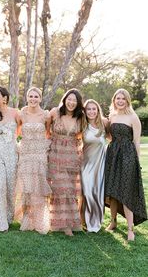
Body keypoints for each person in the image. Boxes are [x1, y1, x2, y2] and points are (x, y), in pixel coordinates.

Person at [104, 88, 147, 241]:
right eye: (118, 99)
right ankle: (113, 222)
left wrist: (136, 162)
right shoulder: (112, 116)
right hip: (113, 155)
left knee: (126, 191)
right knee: (112, 191)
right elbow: (110, 136)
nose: (120, 101)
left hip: (128, 156)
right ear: (114, 100)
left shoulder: (133, 117)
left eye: (123, 99)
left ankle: (130, 229)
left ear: (127, 100)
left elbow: (136, 142)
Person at [15, 87, 52, 234]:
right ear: (27, 97)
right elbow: (17, 132)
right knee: (26, 188)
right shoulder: (22, 114)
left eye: (36, 96)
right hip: (25, 154)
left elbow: (48, 134)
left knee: (39, 187)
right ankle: (25, 219)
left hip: (39, 154)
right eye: (30, 96)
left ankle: (39, 220)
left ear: (40, 99)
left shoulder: (45, 115)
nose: (33, 99)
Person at [48, 88, 84, 236]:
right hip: (56, 156)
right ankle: (63, 225)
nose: (71, 103)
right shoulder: (54, 113)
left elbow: (81, 136)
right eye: (69, 99)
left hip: (72, 158)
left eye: (74, 101)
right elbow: (46, 131)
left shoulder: (80, 118)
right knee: (60, 189)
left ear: (78, 103)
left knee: (69, 190)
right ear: (64, 100)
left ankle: (68, 223)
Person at [0, 87, 20, 232]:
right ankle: (2, 223)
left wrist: (11, 138)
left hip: (12, 152)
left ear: (5, 98)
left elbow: (19, 130)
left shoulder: (15, 113)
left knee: (10, 187)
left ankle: (8, 217)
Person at [81, 99, 108, 232]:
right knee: (87, 192)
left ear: (98, 110)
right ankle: (86, 221)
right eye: (88, 109)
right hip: (86, 164)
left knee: (98, 193)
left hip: (100, 164)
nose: (91, 111)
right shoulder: (82, 124)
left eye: (94, 109)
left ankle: (96, 222)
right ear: (85, 111)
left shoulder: (105, 124)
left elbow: (113, 139)